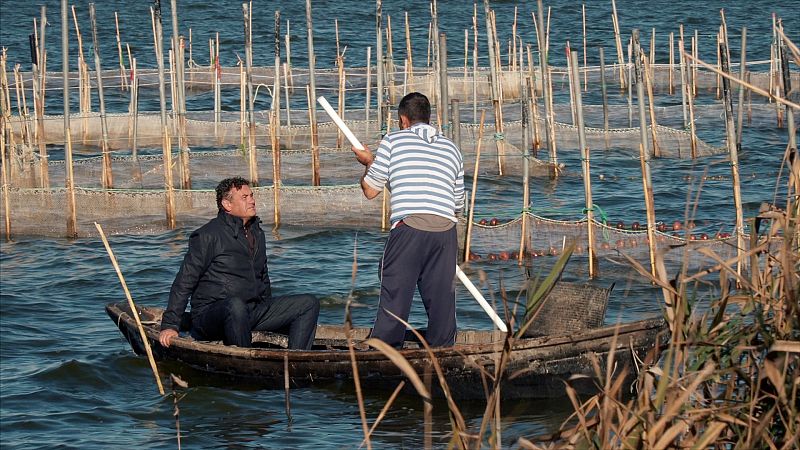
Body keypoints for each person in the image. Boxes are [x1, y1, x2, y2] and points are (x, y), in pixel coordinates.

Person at [352, 92, 465, 348]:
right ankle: (443, 350)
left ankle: (386, 349)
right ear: (428, 118)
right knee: (442, 301)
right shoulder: (452, 148)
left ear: (403, 120)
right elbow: (458, 203)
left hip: (410, 229)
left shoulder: (393, 141)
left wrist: (368, 163)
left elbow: (370, 190)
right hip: (446, 230)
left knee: (395, 293)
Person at [159, 177, 320, 350]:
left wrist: (274, 318)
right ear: (227, 205)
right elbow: (184, 282)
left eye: (251, 195)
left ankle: (295, 359)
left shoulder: (257, 233)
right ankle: (245, 359)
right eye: (244, 197)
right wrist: (170, 325)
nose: (252, 200)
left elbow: (263, 279)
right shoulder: (207, 235)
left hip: (251, 311)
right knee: (235, 306)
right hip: (211, 316)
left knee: (308, 304)